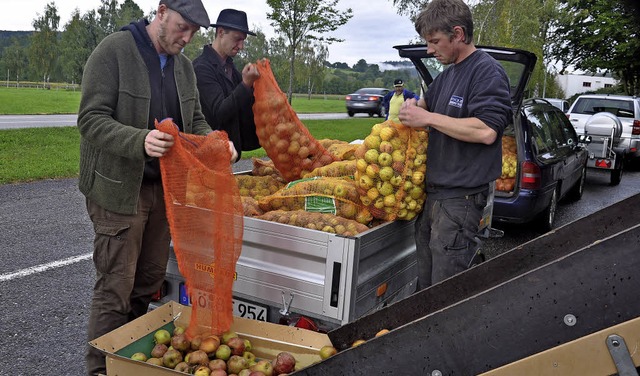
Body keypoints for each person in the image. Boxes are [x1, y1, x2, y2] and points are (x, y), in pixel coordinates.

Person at [76, 1, 237, 375]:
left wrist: (215, 141)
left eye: (194, 33)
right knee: (116, 286)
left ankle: (127, 359)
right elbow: (90, 119)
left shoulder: (182, 67)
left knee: (147, 281)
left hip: (164, 192)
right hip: (119, 191)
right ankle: (100, 369)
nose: (187, 38)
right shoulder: (113, 51)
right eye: (182, 27)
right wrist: (139, 140)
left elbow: (194, 119)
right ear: (161, 12)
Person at [398, 0, 512, 289]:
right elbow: (425, 111)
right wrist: (411, 109)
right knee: (426, 285)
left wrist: (428, 116)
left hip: (460, 200)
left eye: (435, 41)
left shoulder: (487, 72)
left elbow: (486, 130)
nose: (429, 50)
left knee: (444, 290)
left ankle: (446, 334)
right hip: (434, 197)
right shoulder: (447, 76)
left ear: (458, 34)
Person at [192, 8, 261, 160]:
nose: (241, 46)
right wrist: (245, 84)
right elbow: (219, 112)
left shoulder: (230, 67)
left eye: (243, 40)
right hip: (208, 155)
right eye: (237, 39)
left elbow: (243, 107)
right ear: (221, 32)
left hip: (227, 154)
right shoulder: (201, 68)